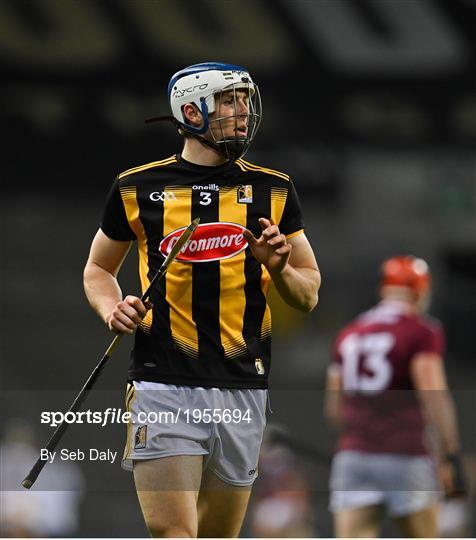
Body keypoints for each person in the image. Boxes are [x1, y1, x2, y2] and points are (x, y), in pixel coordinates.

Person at [83, 62, 320, 538]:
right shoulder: (136, 187)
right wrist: (112, 307)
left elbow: (308, 292)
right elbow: (98, 269)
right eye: (228, 101)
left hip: (243, 385)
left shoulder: (273, 189)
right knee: (174, 532)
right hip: (162, 381)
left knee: (218, 536)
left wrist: (279, 268)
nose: (242, 113)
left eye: (244, 101)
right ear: (191, 112)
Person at [325, 255, 466, 538]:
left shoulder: (348, 334)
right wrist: (450, 455)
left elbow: (334, 410)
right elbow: (434, 397)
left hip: (354, 455)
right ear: (420, 292)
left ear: (384, 290)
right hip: (405, 453)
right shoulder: (421, 331)